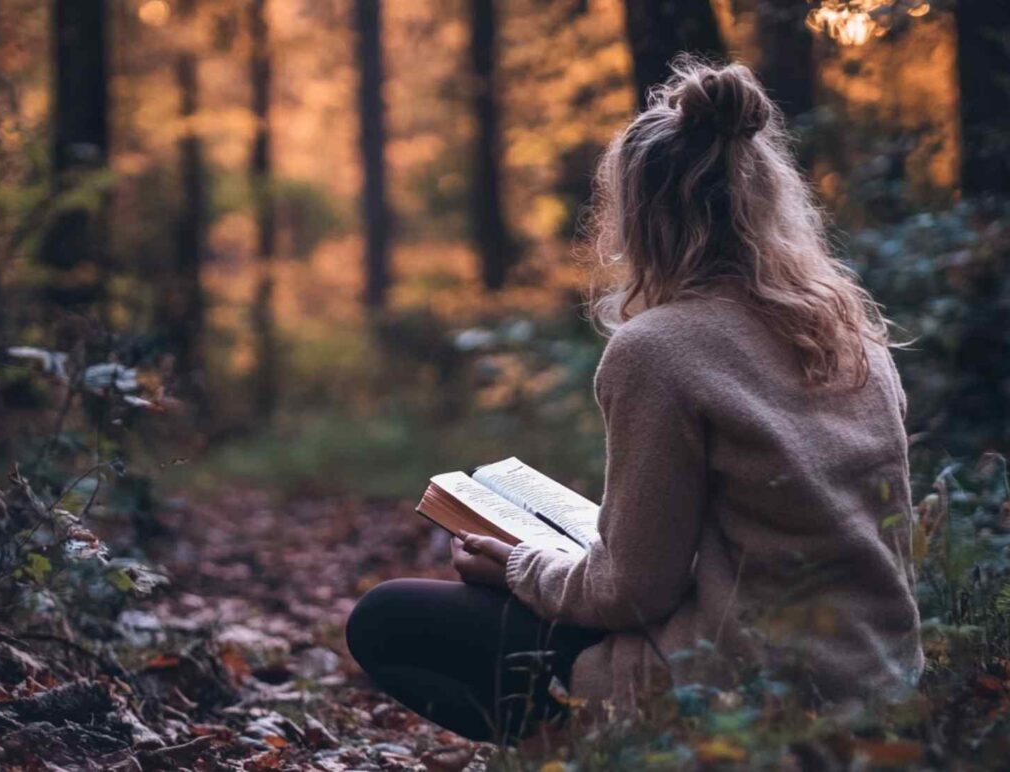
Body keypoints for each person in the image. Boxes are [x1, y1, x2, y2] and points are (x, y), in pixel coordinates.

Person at [345, 58, 923, 744]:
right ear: (768, 199)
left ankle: (593, 752)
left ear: (641, 217)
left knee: (385, 619)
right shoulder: (849, 328)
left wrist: (522, 568)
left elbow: (631, 592)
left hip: (743, 686)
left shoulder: (659, 347)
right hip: (882, 679)